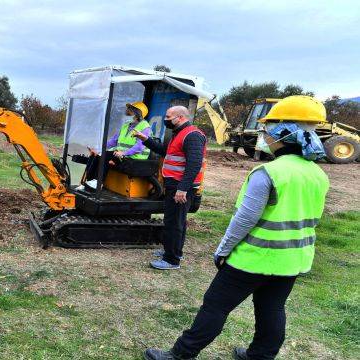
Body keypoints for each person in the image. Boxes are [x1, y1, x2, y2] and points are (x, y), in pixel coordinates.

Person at [142, 96, 330, 360]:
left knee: (215, 306)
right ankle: (260, 356)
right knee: (272, 309)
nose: (265, 135)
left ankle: (180, 354)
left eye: (267, 130)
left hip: (254, 258)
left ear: (281, 133)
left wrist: (223, 250)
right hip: (293, 259)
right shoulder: (317, 174)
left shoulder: (268, 173)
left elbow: (245, 219)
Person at [133, 105, 206, 270]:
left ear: (180, 117)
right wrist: (145, 139)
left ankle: (172, 260)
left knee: (175, 222)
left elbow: (194, 165)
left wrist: (183, 189)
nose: (165, 120)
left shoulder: (192, 135)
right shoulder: (179, 134)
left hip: (182, 188)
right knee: (174, 220)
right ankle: (173, 251)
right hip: (175, 185)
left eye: (168, 117)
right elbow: (165, 151)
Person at [82, 102, 152, 187]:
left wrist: (123, 153)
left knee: (104, 156)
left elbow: (139, 147)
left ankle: (98, 182)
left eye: (131, 109)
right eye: (129, 108)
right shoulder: (127, 125)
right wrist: (98, 149)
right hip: (122, 154)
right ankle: (87, 182)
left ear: (138, 113)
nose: (128, 111)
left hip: (135, 157)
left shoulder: (145, 127)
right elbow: (114, 141)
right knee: (95, 155)